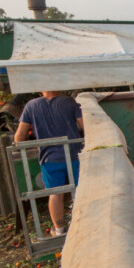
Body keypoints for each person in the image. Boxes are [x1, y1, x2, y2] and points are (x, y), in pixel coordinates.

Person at [14, 91, 83, 236]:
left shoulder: (31, 106)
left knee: (55, 193)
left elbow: (19, 136)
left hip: (49, 158)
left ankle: (59, 230)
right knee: (80, 191)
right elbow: (85, 126)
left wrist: (26, 147)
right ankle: (83, 225)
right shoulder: (69, 102)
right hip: (74, 155)